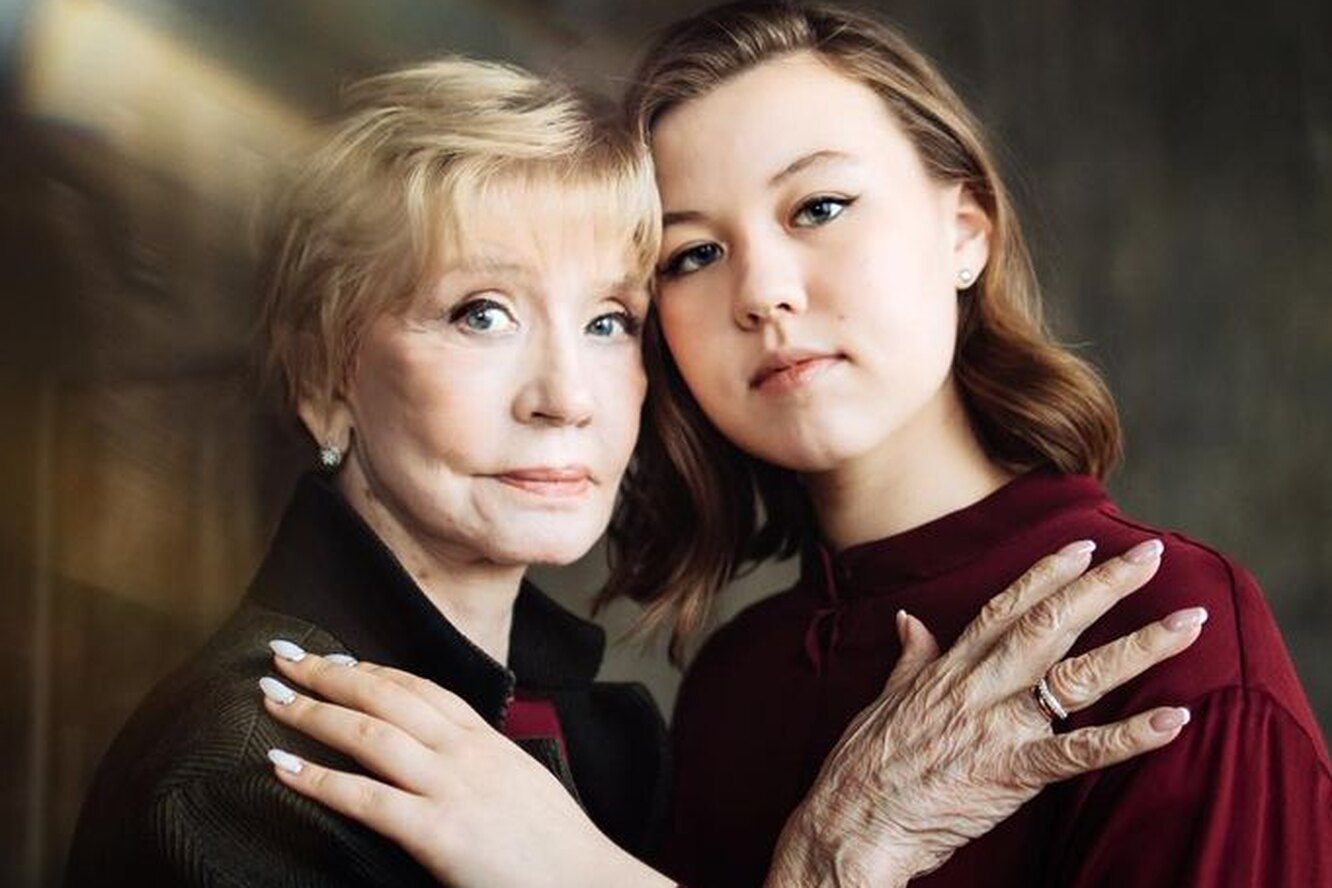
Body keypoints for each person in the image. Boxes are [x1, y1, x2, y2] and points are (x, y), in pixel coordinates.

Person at [65, 50, 1199, 888]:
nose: (565, 396)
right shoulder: (244, 775)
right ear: (324, 379)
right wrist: (830, 868)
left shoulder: (610, 740)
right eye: (481, 312)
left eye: (609, 320)